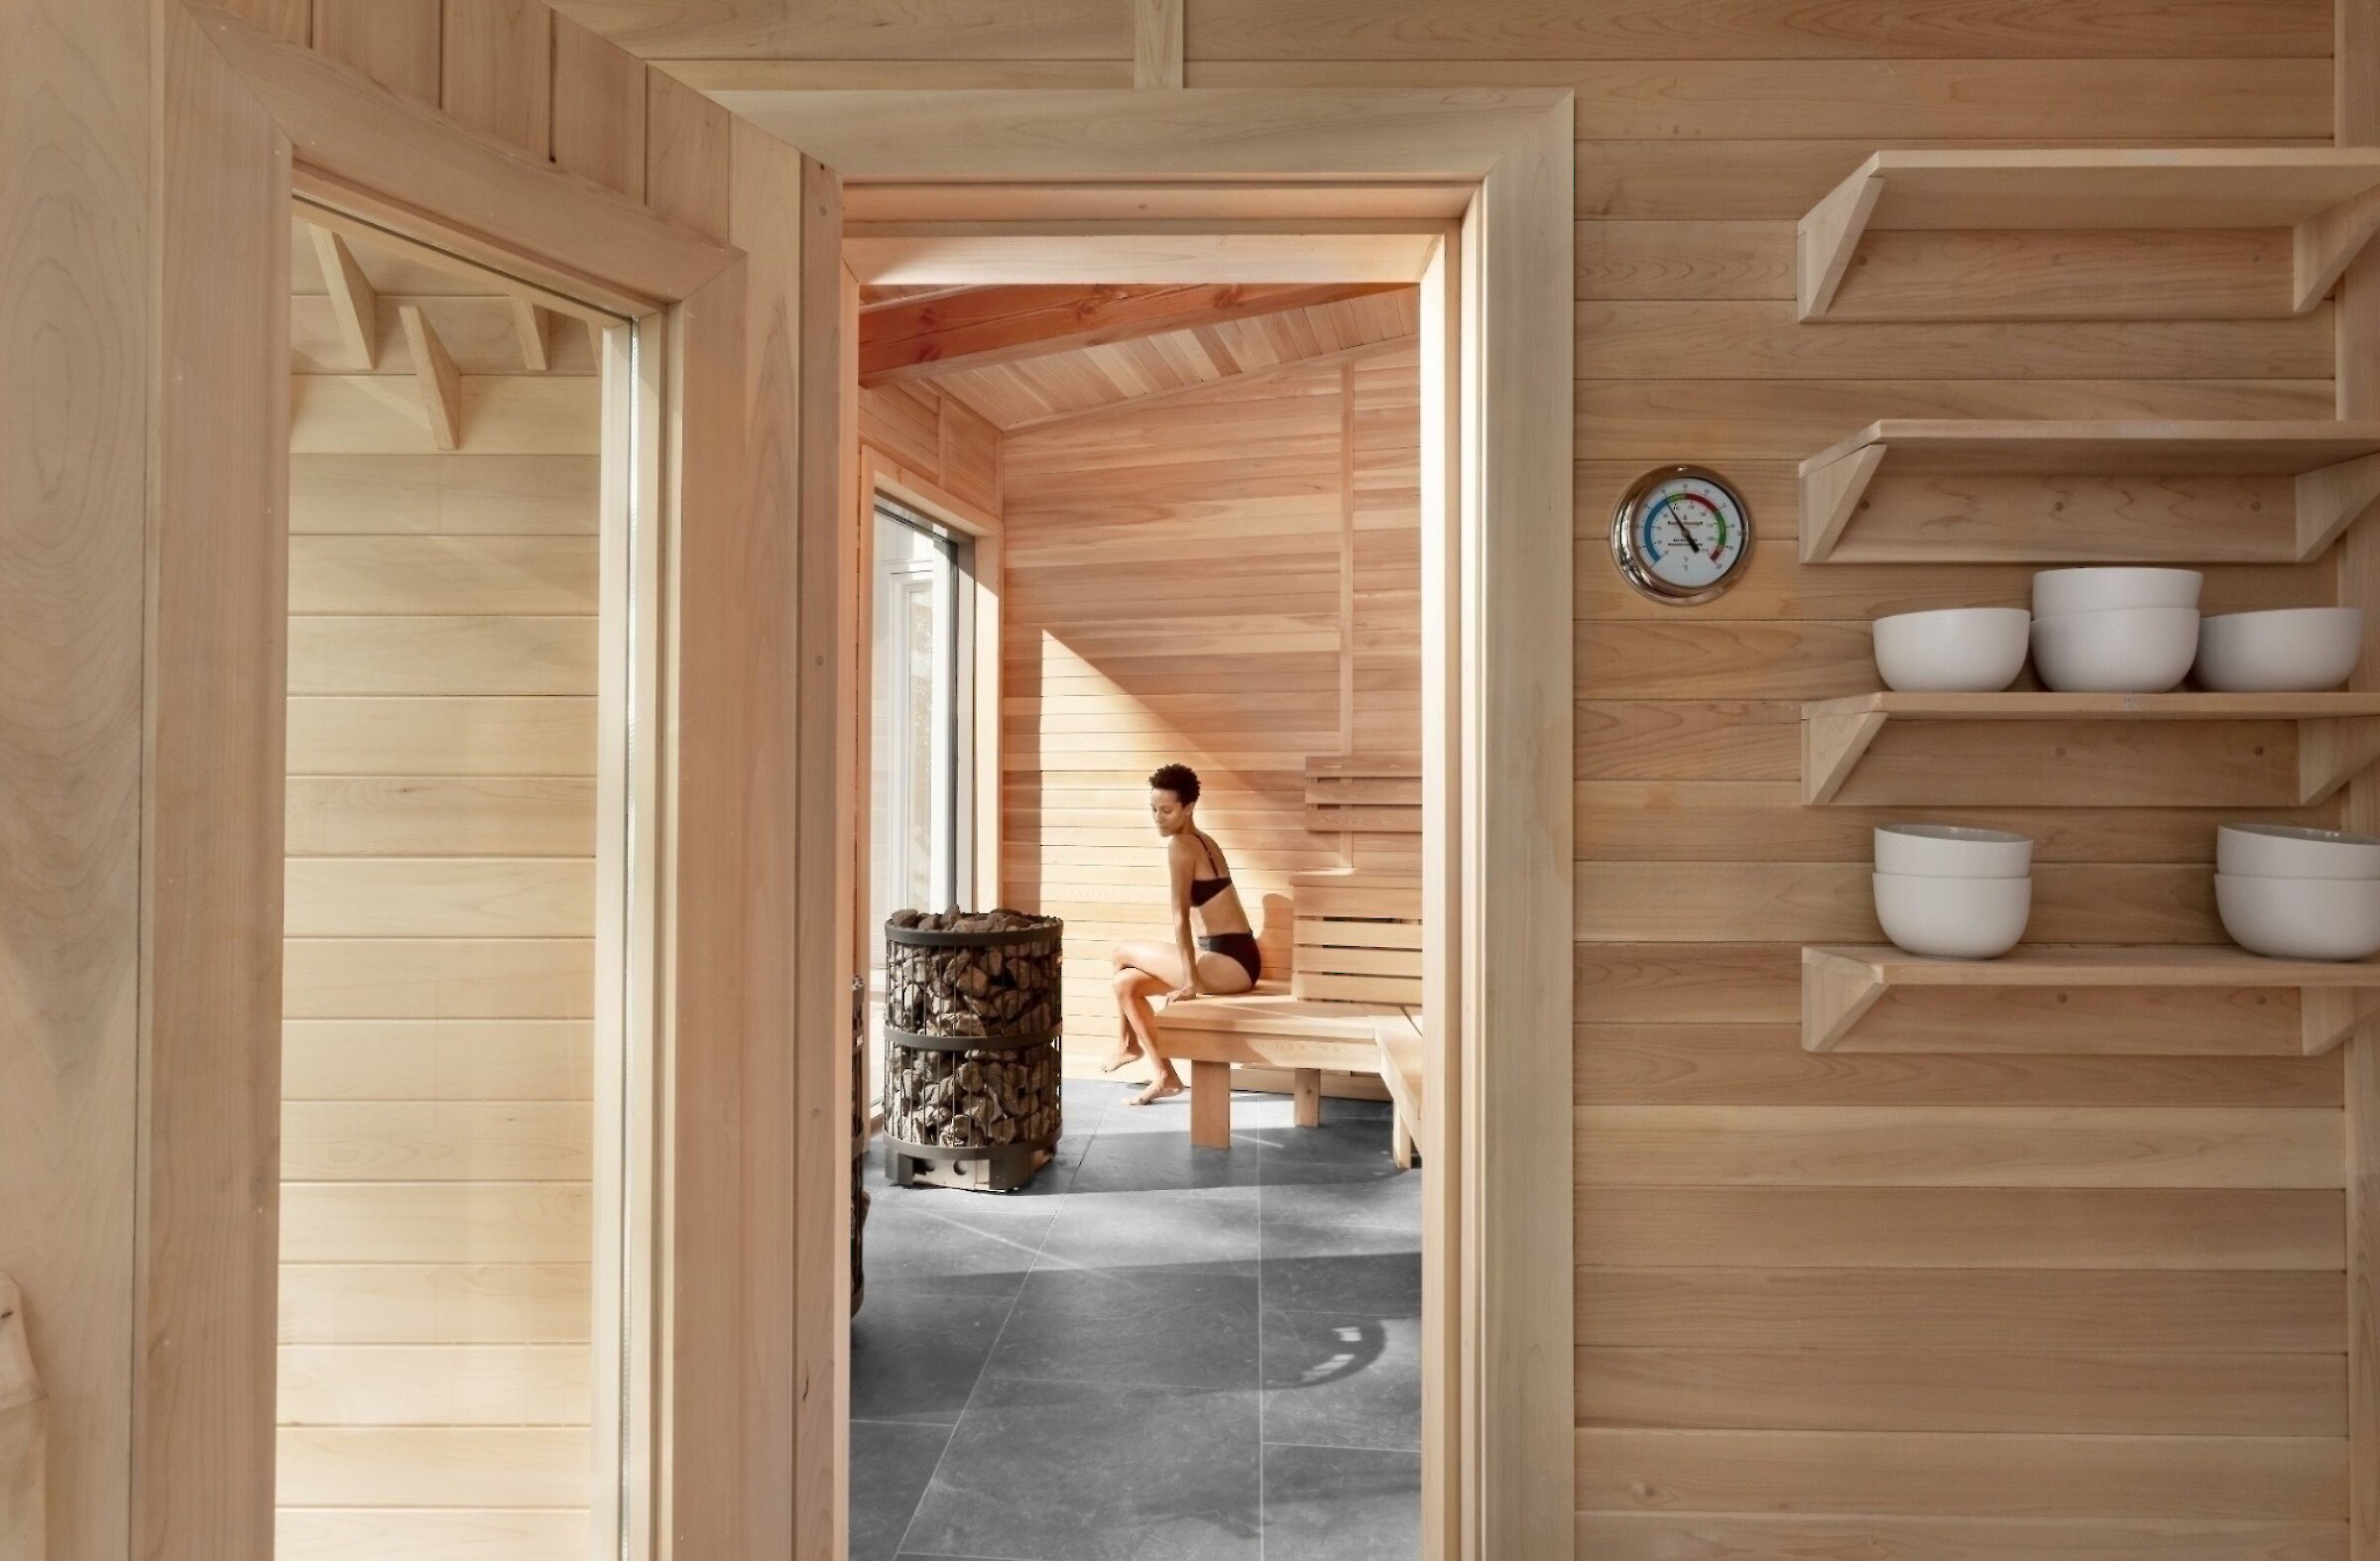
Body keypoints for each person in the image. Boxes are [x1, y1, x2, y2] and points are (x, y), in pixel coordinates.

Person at [1108, 762, 1261, 1106]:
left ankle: (1127, 1044)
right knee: (1126, 985)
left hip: (1228, 964)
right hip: (1240, 958)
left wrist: (1190, 983)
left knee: (1121, 952)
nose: (1158, 818)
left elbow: (1180, 919)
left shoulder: (1181, 846)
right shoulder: (1204, 840)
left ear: (1188, 808)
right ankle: (1164, 1076)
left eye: (1166, 810)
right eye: (1153, 810)